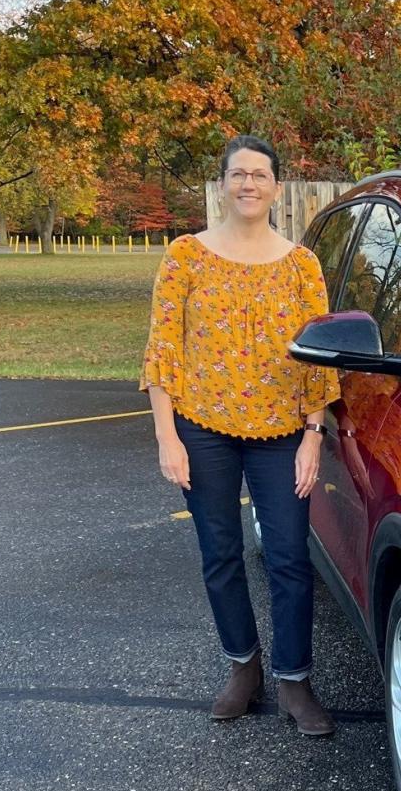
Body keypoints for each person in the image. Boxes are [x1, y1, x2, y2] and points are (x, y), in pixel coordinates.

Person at [140, 134, 341, 735]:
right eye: (238, 174)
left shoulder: (302, 264)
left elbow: (320, 355)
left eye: (259, 174)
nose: (248, 183)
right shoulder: (186, 256)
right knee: (220, 554)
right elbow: (162, 349)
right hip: (200, 429)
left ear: (276, 187)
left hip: (282, 433)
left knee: (288, 558)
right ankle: (243, 668)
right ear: (222, 185)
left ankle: (295, 682)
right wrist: (166, 437)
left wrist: (313, 434)